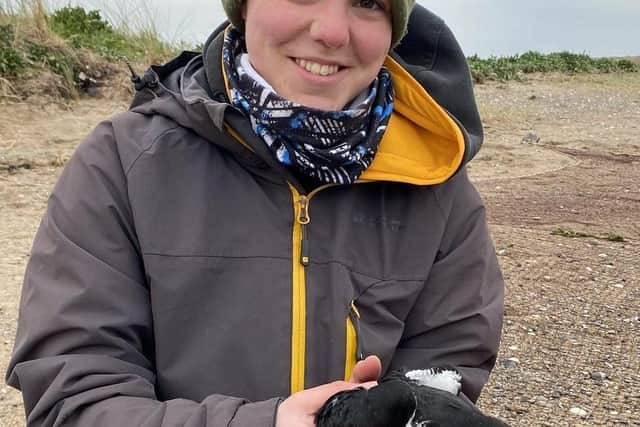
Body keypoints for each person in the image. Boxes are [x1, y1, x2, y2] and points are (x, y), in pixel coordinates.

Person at [6, 0, 505, 425]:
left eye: (369, 2)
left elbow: (447, 371)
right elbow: (72, 399)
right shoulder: (123, 163)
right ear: (243, 7)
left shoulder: (436, 188)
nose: (332, 32)